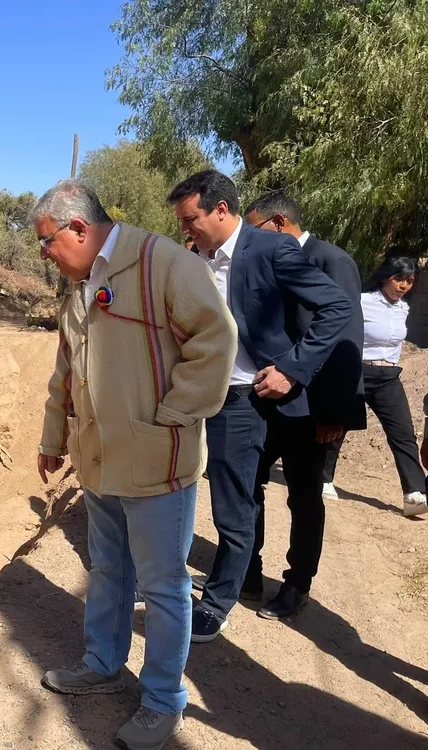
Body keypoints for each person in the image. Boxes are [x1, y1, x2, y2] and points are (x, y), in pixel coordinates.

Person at [34, 178, 236, 750]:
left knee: (165, 586)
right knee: (108, 569)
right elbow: (64, 372)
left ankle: (162, 701)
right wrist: (54, 437)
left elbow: (215, 340)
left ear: (78, 227)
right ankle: (101, 664)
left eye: (48, 241)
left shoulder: (163, 262)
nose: (45, 253)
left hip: (156, 461)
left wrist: (174, 413)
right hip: (99, 461)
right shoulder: (78, 286)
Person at [167, 170, 350, 642]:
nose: (186, 230)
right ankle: (239, 583)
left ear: (221, 211)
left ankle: (247, 595)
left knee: (288, 498)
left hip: (279, 398)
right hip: (223, 401)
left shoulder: (271, 249)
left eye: (191, 219)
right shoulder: (194, 259)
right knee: (236, 502)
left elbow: (337, 309)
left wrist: (293, 367)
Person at [241, 191, 365, 619]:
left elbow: (349, 341)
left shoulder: (330, 259)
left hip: (313, 409)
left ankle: (297, 584)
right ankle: (248, 573)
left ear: (277, 223)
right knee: (247, 485)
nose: (246, 239)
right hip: (267, 401)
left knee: (304, 496)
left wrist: (336, 413)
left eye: (252, 230)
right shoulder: (269, 261)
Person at [323, 257, 428, 516]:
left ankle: (414, 493)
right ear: (385, 278)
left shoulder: (404, 309)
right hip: (357, 371)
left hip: (389, 377)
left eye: (409, 281)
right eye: (399, 279)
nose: (404, 286)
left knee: (403, 432)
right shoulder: (361, 302)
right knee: (338, 427)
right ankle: (323, 479)